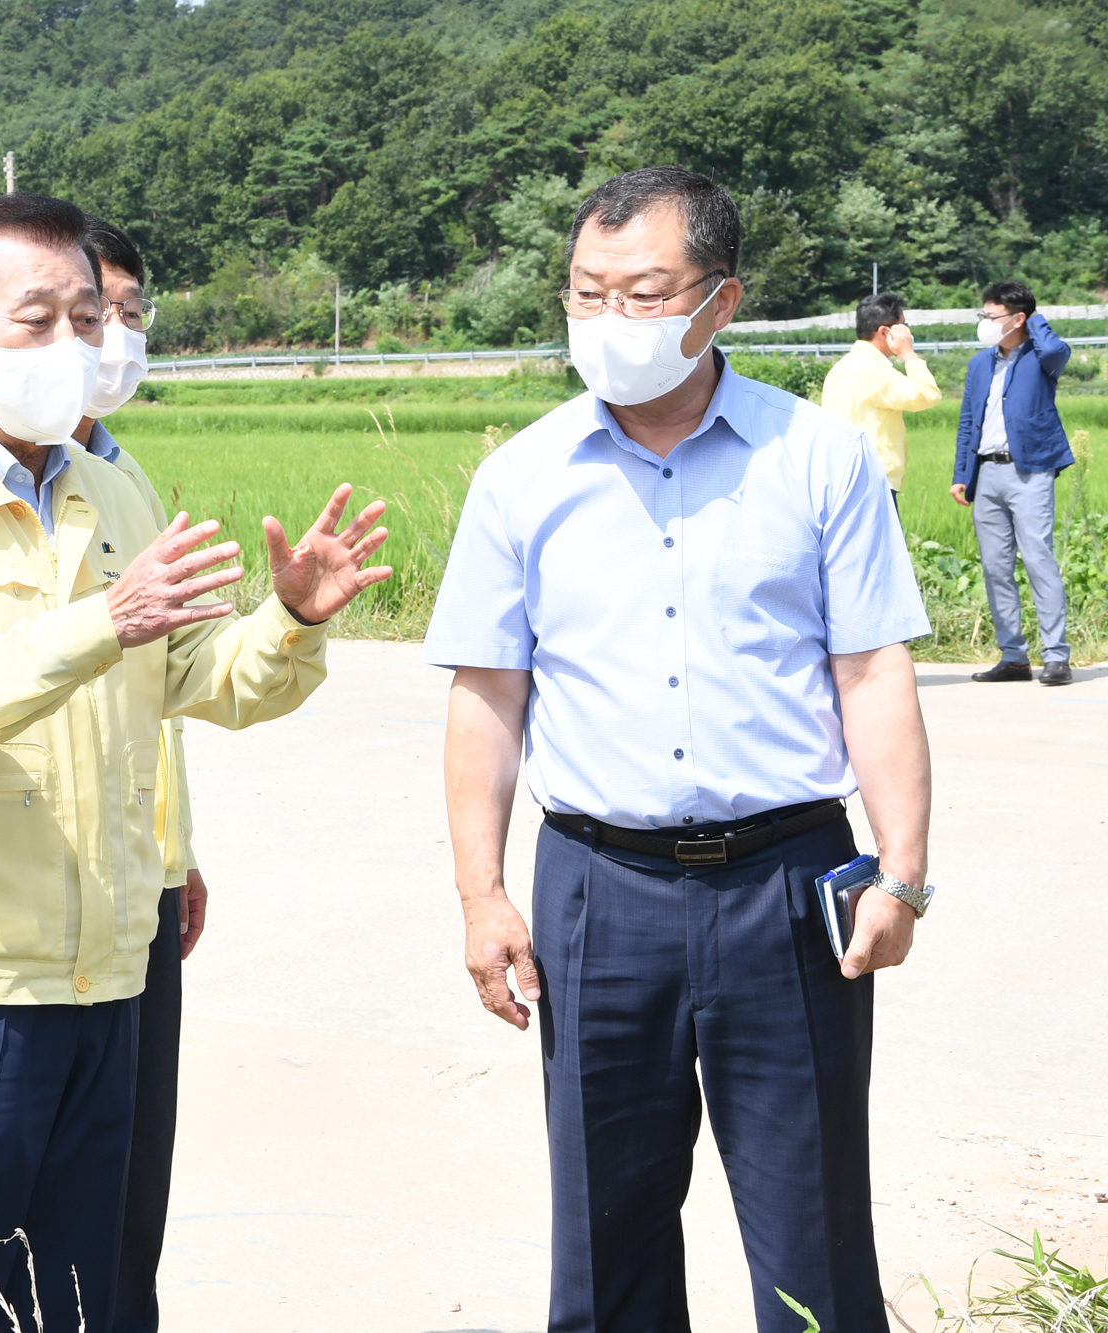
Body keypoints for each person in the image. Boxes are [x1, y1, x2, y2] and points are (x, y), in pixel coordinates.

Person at [0, 192, 390, 1333]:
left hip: (105, 972)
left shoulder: (112, 487)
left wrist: (291, 621)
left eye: (86, 317)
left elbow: (197, 678)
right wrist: (102, 622)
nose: (72, 345)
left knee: (80, 1294)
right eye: (36, 320)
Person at [427, 166, 935, 1333]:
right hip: (595, 891)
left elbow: (871, 671)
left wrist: (901, 872)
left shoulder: (814, 456)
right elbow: (487, 695)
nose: (609, 319)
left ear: (719, 301)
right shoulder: (519, 478)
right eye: (586, 291)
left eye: (644, 293)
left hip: (785, 883)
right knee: (603, 1233)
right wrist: (479, 896)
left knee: (811, 1227)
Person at [70, 213, 207, 1333]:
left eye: (127, 313)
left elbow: (157, 691)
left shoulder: (127, 480)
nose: (113, 337)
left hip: (141, 878)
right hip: (29, 899)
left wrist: (180, 850)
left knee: (128, 1181)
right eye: (86, 313)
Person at [950, 280, 1074, 686]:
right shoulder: (979, 364)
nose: (985, 322)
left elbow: (1056, 349)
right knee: (995, 567)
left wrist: (1035, 319)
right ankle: (1014, 657)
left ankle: (1056, 656)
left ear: (1018, 318)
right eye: (983, 315)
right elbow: (968, 421)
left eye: (993, 316)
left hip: (1031, 470)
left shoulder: (1042, 357)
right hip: (987, 473)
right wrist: (960, 476)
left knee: (1038, 558)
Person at [820, 291, 941, 503]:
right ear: (885, 332)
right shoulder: (876, 371)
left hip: (840, 476)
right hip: (874, 480)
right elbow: (928, 394)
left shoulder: (840, 368)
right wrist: (909, 355)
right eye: (903, 326)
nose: (908, 333)